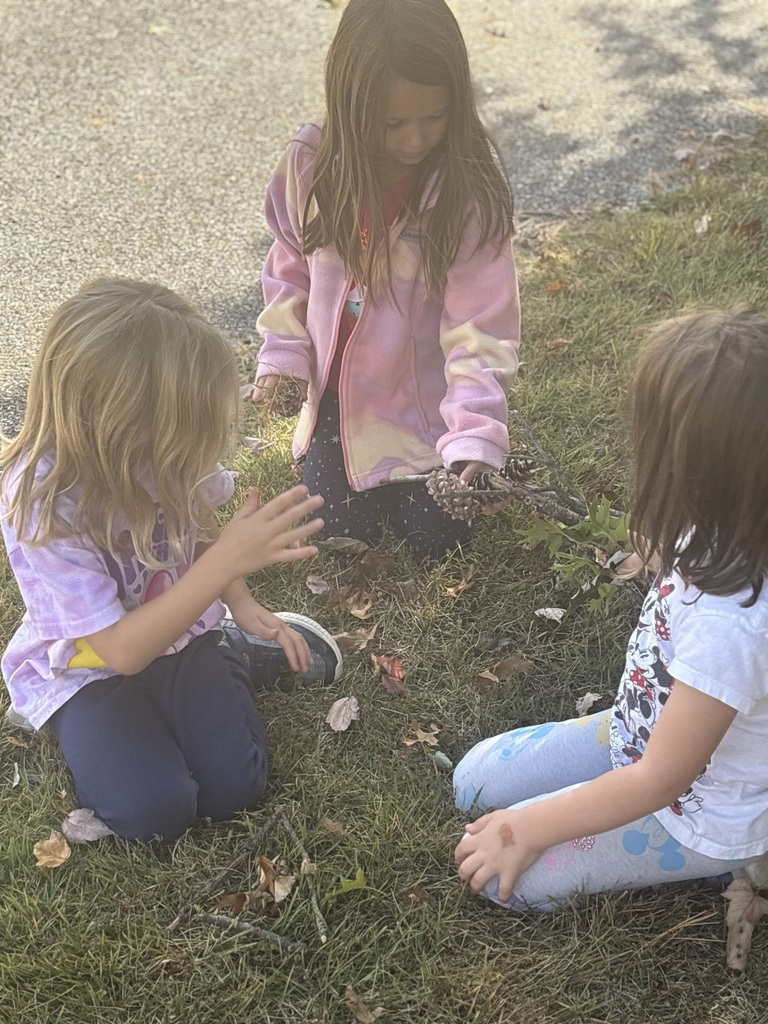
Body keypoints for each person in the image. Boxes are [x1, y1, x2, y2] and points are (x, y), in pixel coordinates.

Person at [0, 278, 342, 842]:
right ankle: (55, 714)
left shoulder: (168, 449)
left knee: (236, 790)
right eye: (181, 433)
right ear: (117, 426)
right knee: (154, 814)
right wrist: (225, 564)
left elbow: (200, 517)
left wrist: (238, 596)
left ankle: (236, 650)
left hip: (184, 637)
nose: (193, 452)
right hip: (90, 670)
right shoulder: (40, 505)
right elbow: (123, 652)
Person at [454, 308, 768, 909]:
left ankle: (734, 862)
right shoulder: (726, 519)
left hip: (694, 812)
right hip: (634, 732)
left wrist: (527, 829)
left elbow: (663, 780)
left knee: (500, 877)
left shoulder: (734, 628)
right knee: (473, 782)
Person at [253, 0, 519, 559]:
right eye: (392, 122)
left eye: (434, 117)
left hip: (429, 405)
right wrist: (283, 349)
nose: (415, 140)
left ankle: (447, 464)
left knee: (435, 539)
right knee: (338, 531)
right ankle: (333, 459)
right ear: (350, 104)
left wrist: (474, 428)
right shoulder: (310, 165)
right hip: (344, 405)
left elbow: (481, 325)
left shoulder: (466, 189)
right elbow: (288, 263)